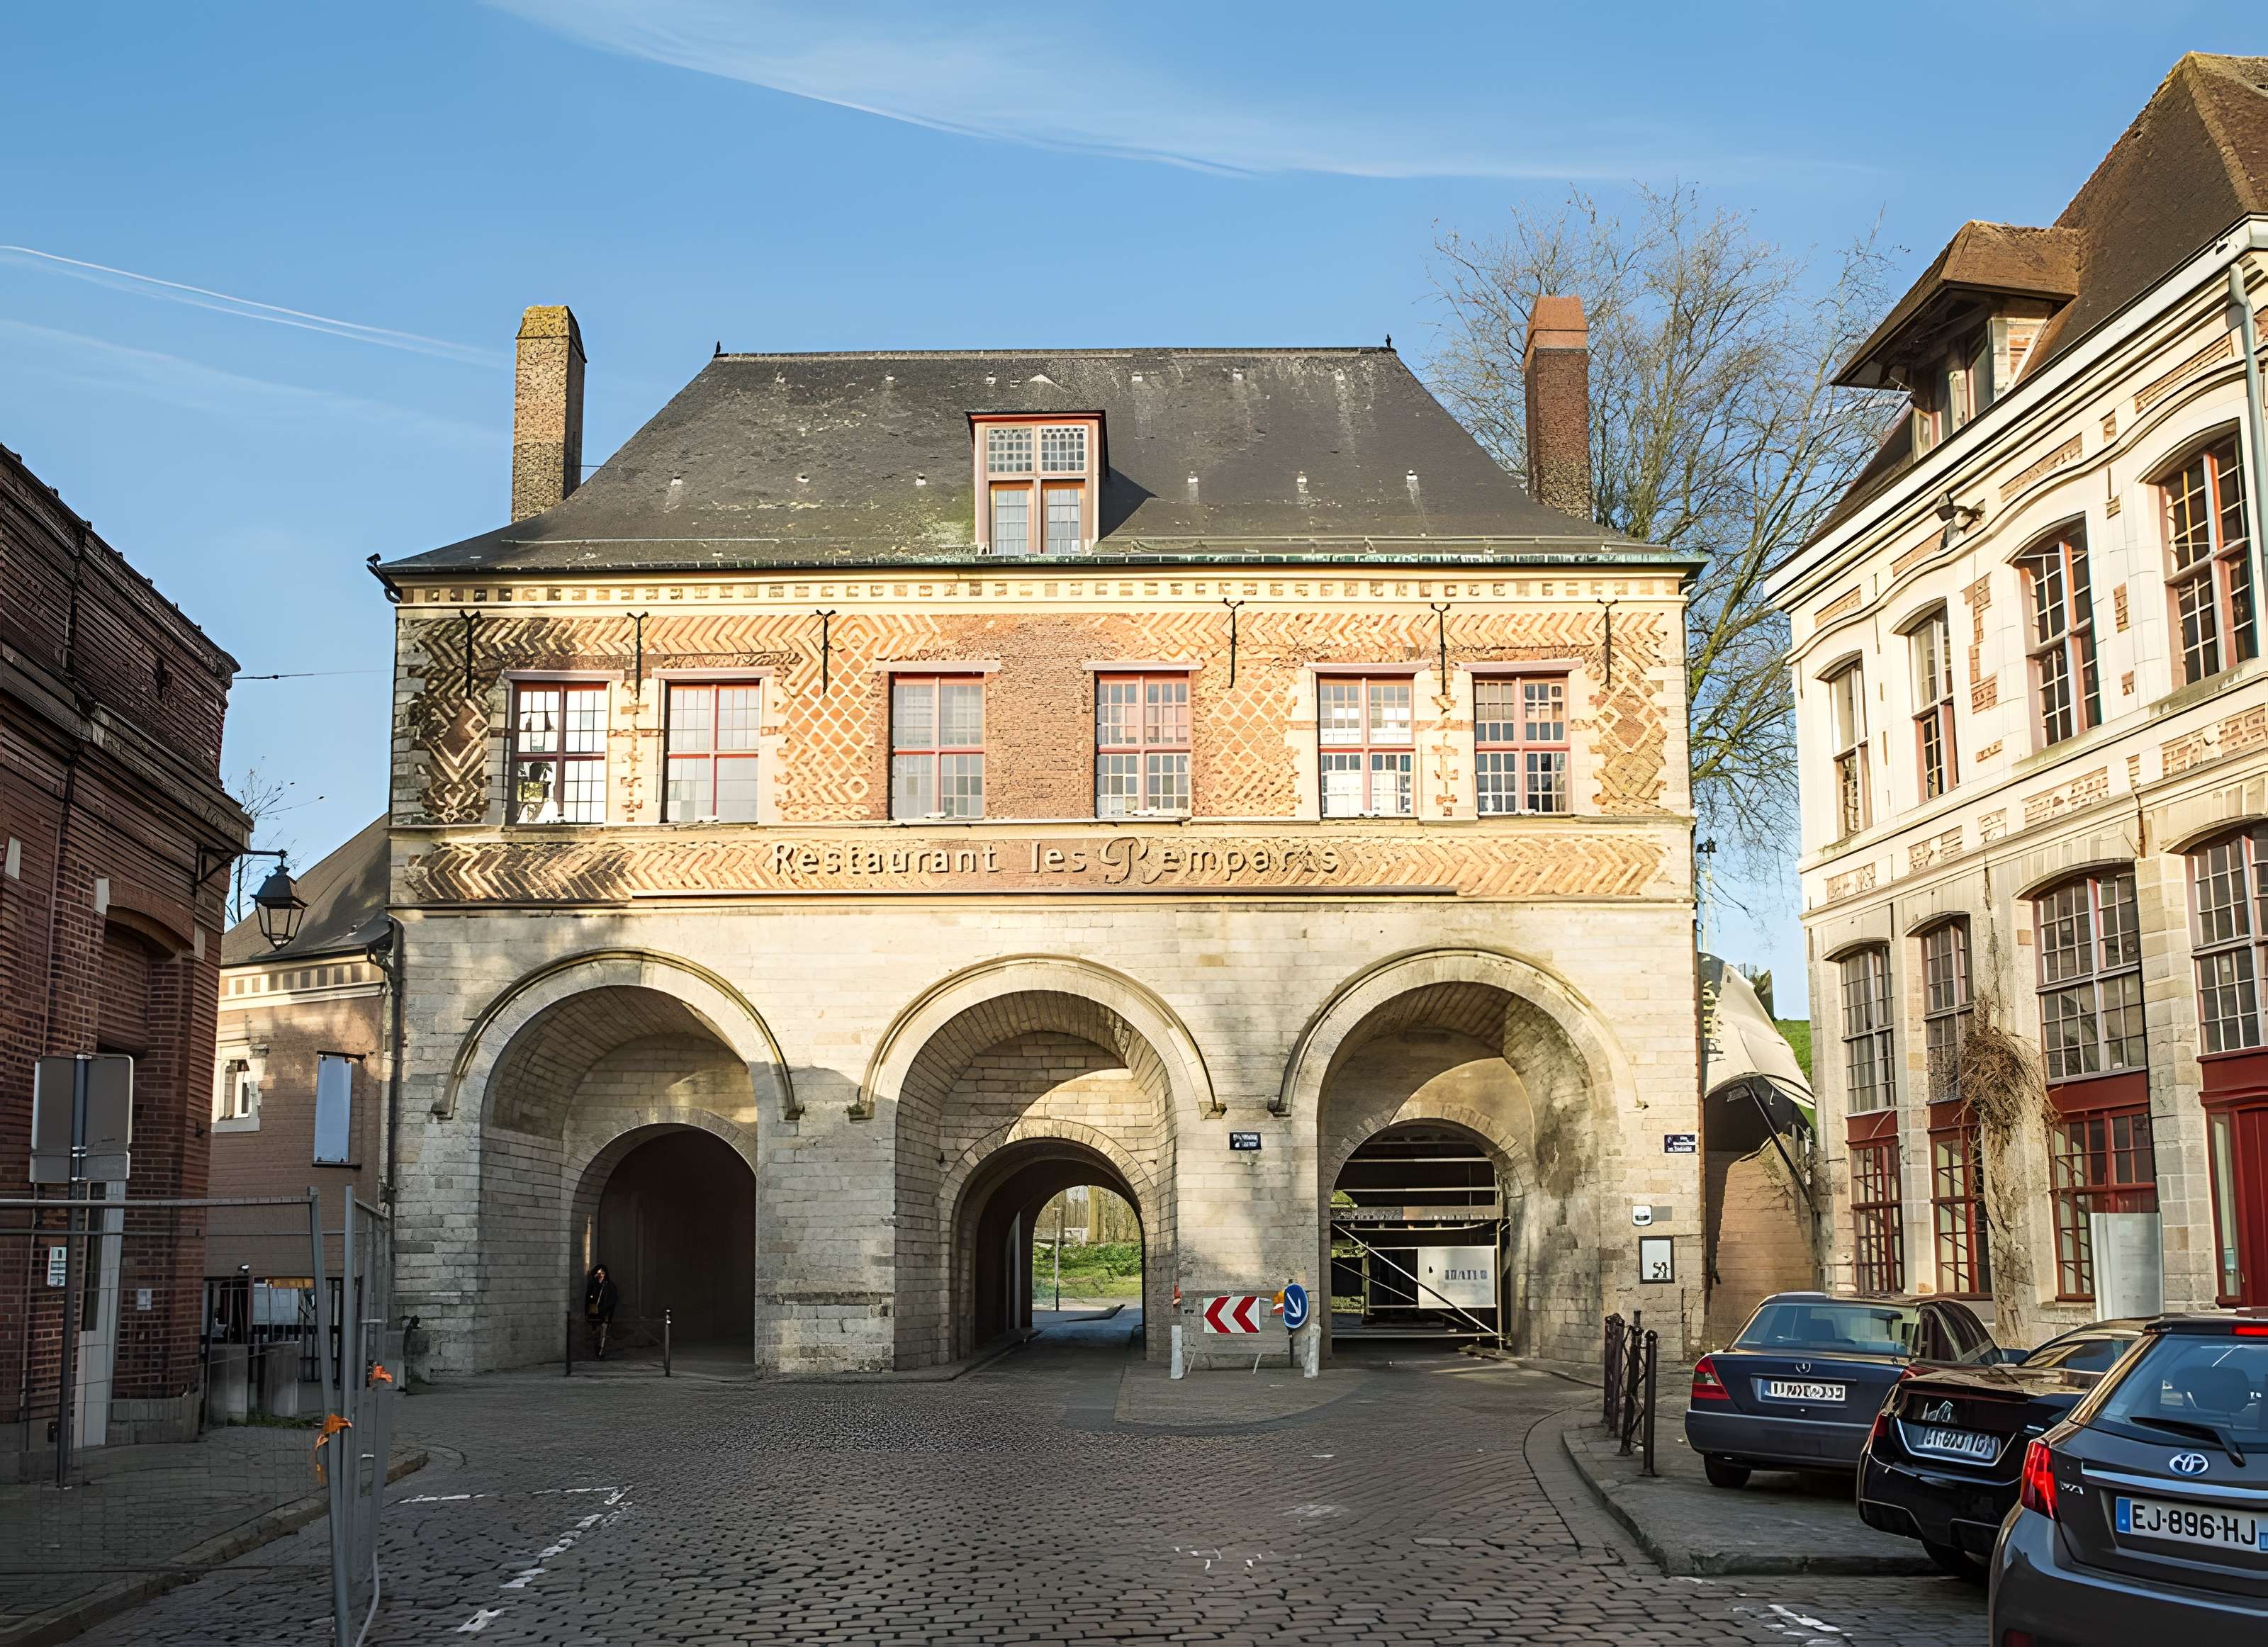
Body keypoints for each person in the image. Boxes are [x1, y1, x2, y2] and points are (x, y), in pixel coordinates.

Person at [583, 1264, 619, 1361]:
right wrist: (586, 1312)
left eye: (602, 1273)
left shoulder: (610, 1286)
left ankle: (601, 1351)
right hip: (594, 1311)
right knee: (595, 1332)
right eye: (599, 1273)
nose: (601, 1275)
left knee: (604, 1331)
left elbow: (613, 1299)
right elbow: (588, 1299)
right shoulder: (593, 1284)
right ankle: (597, 1349)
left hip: (605, 1311)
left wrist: (608, 1310)